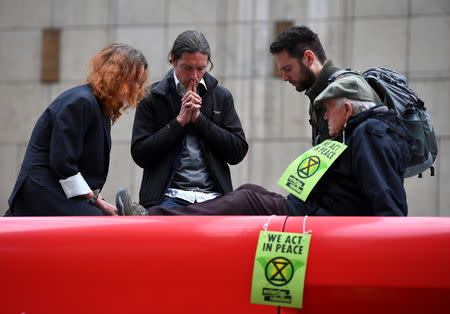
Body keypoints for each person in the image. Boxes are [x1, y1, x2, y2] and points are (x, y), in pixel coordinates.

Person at [117, 75, 414, 216]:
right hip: (310, 210)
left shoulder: (370, 135)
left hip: (316, 219)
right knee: (248, 192)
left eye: (328, 108)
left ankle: (152, 218)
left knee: (243, 201)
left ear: (348, 109)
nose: (324, 115)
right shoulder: (361, 132)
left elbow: (387, 203)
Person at [7, 43, 149, 216]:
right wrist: (99, 203)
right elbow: (63, 165)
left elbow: (80, 175)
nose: (136, 89)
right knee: (100, 224)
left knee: (106, 220)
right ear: (115, 76)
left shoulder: (99, 107)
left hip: (57, 191)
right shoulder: (80, 102)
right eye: (131, 80)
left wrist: (99, 201)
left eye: (138, 82)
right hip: (42, 192)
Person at [128, 30, 248, 209]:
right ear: (173, 60)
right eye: (187, 67)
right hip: (167, 197)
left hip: (214, 197)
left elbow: (238, 152)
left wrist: (200, 120)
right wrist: (179, 122)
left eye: (201, 68)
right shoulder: (151, 97)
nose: (194, 76)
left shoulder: (221, 96)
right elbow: (140, 155)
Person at [269, 25, 380, 145]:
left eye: (288, 69)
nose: (285, 78)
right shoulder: (318, 92)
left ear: (308, 58)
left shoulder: (349, 90)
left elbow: (372, 153)